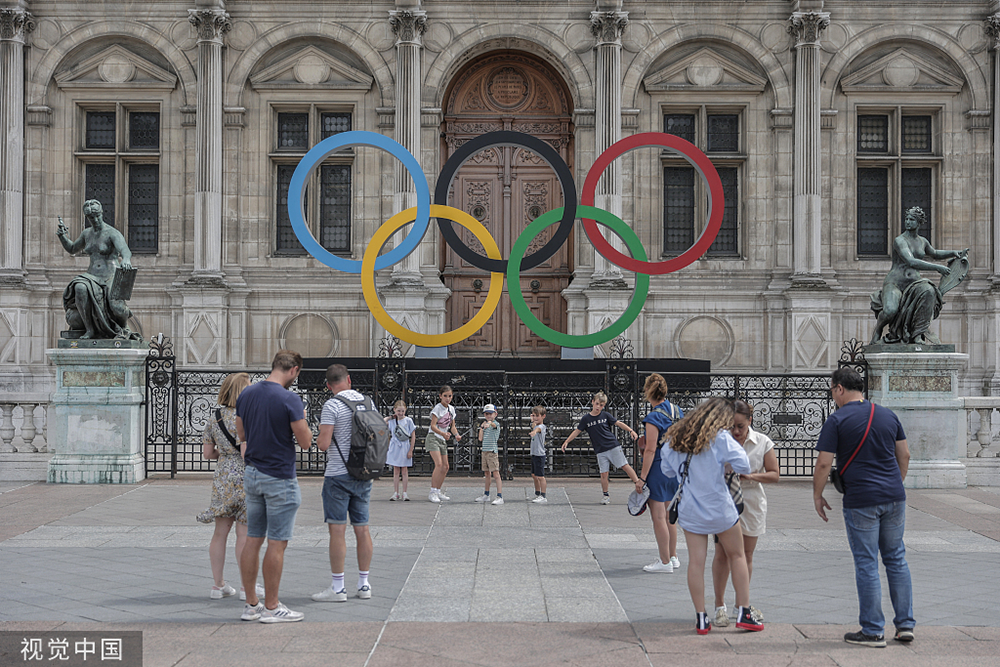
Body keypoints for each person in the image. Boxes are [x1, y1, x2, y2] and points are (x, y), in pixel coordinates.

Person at [813, 367, 914, 648]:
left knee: (867, 562)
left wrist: (817, 495)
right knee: (896, 558)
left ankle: (872, 630)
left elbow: (823, 463)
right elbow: (904, 454)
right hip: (894, 496)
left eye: (832, 390)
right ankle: (905, 625)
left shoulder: (837, 419)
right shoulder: (887, 414)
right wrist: (896, 483)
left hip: (861, 499)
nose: (833, 396)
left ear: (840, 389)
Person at [660, 397, 763, 634]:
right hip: (720, 508)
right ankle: (744, 612)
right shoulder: (720, 438)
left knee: (696, 561)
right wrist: (726, 464)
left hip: (691, 510)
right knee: (737, 556)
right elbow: (744, 465)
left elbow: (667, 470)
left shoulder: (675, 439)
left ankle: (701, 618)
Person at [236, 350, 312, 623]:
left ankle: (251, 604)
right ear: (293, 370)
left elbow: (241, 433)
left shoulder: (246, 394)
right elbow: (305, 442)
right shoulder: (290, 398)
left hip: (253, 474)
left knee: (252, 539)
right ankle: (271, 607)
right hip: (279, 476)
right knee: (277, 544)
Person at [197, 372, 265, 601]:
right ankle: (247, 586)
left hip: (223, 476)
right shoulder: (250, 416)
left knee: (220, 533)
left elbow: (208, 453)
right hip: (246, 476)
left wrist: (224, 454)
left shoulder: (214, 418)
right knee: (244, 534)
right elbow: (249, 451)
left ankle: (218, 585)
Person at [312, 364, 376, 603]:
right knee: (363, 529)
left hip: (338, 475)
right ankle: (364, 584)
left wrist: (319, 432)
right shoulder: (368, 402)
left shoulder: (332, 405)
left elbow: (323, 445)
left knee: (337, 530)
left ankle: (338, 587)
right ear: (349, 379)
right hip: (364, 473)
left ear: (329, 385)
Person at [711, 399, 779, 627]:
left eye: (740, 426)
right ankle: (719, 606)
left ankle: (741, 605)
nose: (736, 431)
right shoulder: (720, 441)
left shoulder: (762, 442)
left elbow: (774, 474)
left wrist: (751, 476)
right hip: (726, 500)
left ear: (749, 421)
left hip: (751, 500)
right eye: (731, 426)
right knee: (722, 553)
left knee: (746, 555)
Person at [870, 206, 968, 345]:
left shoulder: (923, 241)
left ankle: (917, 334)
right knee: (890, 310)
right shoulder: (900, 240)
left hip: (914, 283)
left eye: (911, 219)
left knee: (929, 291)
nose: (908, 222)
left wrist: (953, 252)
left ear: (919, 222)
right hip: (895, 283)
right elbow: (911, 261)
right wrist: (937, 268)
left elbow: (934, 253)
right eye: (907, 219)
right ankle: (878, 330)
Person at [56, 200, 140, 341]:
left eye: (96, 216)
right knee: (79, 287)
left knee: (116, 306)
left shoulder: (112, 233)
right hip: (92, 275)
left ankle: (124, 326)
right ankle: (89, 329)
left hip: (110, 274)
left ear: (101, 214)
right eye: (90, 217)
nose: (94, 219)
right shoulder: (86, 234)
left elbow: (125, 250)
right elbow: (72, 249)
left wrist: (126, 260)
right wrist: (62, 237)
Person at [636, 373, 683, 574]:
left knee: (658, 517)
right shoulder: (677, 411)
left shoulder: (653, 417)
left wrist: (642, 478)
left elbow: (650, 449)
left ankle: (664, 562)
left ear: (648, 392)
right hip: (675, 469)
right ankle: (673, 556)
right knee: (669, 515)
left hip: (658, 469)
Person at [560, 391, 640, 504]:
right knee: (604, 473)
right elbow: (577, 431)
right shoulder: (586, 419)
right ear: (593, 402)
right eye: (597, 404)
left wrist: (631, 430)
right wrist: (567, 441)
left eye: (601, 405)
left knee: (624, 466)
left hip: (612, 446)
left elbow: (618, 423)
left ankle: (639, 485)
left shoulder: (605, 415)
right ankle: (605, 495)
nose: (598, 407)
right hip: (600, 450)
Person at [426, 385, 461, 503]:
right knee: (439, 464)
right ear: (440, 396)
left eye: (449, 396)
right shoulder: (438, 408)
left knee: (446, 466)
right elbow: (433, 425)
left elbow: (452, 426)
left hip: (442, 439)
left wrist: (456, 435)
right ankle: (432, 492)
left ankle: (437, 491)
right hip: (433, 438)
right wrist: (442, 433)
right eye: (445, 396)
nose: (447, 398)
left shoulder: (451, 409)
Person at [385, 400, 416, 501]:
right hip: (395, 446)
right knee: (396, 470)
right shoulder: (392, 421)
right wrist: (391, 417)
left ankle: (405, 492)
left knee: (404, 470)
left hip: (405, 446)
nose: (401, 413)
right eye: (398, 411)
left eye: (403, 411)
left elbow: (413, 435)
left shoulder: (408, 421)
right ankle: (396, 492)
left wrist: (411, 450)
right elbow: (382, 421)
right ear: (394, 410)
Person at [476, 404, 504, 505]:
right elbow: (480, 438)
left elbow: (494, 426)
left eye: (490, 414)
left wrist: (489, 423)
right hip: (485, 451)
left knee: (496, 473)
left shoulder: (496, 424)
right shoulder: (485, 425)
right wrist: (482, 428)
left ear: (495, 414)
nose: (488, 416)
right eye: (487, 414)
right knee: (487, 473)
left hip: (492, 451)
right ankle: (486, 494)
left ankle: (499, 495)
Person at [529, 406, 548, 503]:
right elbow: (534, 426)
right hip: (534, 453)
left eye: (537, 416)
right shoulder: (535, 425)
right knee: (534, 474)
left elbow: (538, 430)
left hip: (539, 454)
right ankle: (537, 493)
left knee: (540, 476)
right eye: (534, 416)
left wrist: (534, 431)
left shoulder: (542, 427)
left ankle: (543, 495)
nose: (535, 418)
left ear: (543, 416)